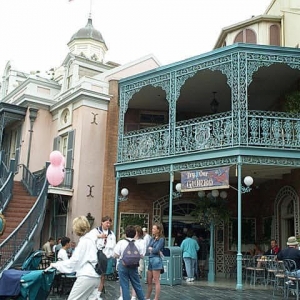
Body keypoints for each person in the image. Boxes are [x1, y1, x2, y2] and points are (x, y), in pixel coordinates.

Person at [50, 216, 100, 300]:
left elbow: (73, 263)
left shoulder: (83, 242)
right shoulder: (92, 240)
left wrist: (56, 265)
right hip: (96, 276)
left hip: (86, 276)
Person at [88, 215, 116, 300]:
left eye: (109, 223)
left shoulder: (112, 234)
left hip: (106, 257)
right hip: (96, 255)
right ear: (102, 222)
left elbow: (114, 246)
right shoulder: (95, 231)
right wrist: (99, 236)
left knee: (102, 276)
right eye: (107, 222)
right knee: (94, 274)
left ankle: (98, 294)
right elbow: (89, 238)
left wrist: (111, 256)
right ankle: (92, 293)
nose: (108, 224)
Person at [114, 225, 145, 300]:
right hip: (134, 266)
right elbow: (142, 256)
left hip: (123, 265)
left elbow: (115, 254)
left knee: (124, 286)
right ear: (135, 234)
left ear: (125, 234)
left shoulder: (121, 242)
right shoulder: (138, 243)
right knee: (137, 285)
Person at [146, 223, 165, 300]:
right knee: (149, 280)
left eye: (154, 229)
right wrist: (152, 249)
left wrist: (152, 249)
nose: (152, 230)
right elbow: (148, 247)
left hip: (156, 259)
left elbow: (156, 249)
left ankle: (156, 298)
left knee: (156, 280)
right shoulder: (152, 238)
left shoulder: (161, 239)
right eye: (152, 228)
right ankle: (147, 297)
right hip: (151, 258)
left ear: (158, 230)